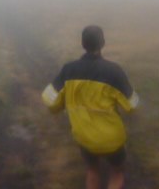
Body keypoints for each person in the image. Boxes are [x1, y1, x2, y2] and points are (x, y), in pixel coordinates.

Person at [41, 25, 139, 189]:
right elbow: (132, 106)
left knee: (92, 171)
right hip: (111, 139)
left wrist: (60, 107)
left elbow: (49, 99)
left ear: (82, 44)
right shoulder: (114, 71)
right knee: (117, 172)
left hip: (84, 136)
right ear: (103, 43)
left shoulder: (68, 69)